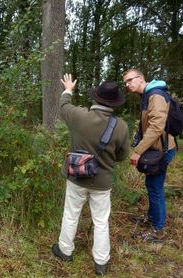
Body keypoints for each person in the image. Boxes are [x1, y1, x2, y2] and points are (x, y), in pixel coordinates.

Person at [52, 74, 129, 276]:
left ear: (95, 98)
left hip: (76, 177)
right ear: (114, 104)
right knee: (101, 221)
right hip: (102, 182)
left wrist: (68, 88)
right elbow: (121, 156)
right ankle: (101, 263)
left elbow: (63, 105)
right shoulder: (121, 126)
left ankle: (65, 250)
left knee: (71, 214)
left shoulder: (78, 116)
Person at [123, 69, 176, 242]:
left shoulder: (155, 95)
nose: (128, 84)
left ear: (141, 78)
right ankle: (151, 218)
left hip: (163, 149)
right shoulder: (147, 95)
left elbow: (156, 127)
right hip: (155, 148)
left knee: (155, 189)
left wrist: (138, 151)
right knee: (152, 185)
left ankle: (158, 230)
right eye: (125, 82)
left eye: (130, 80)